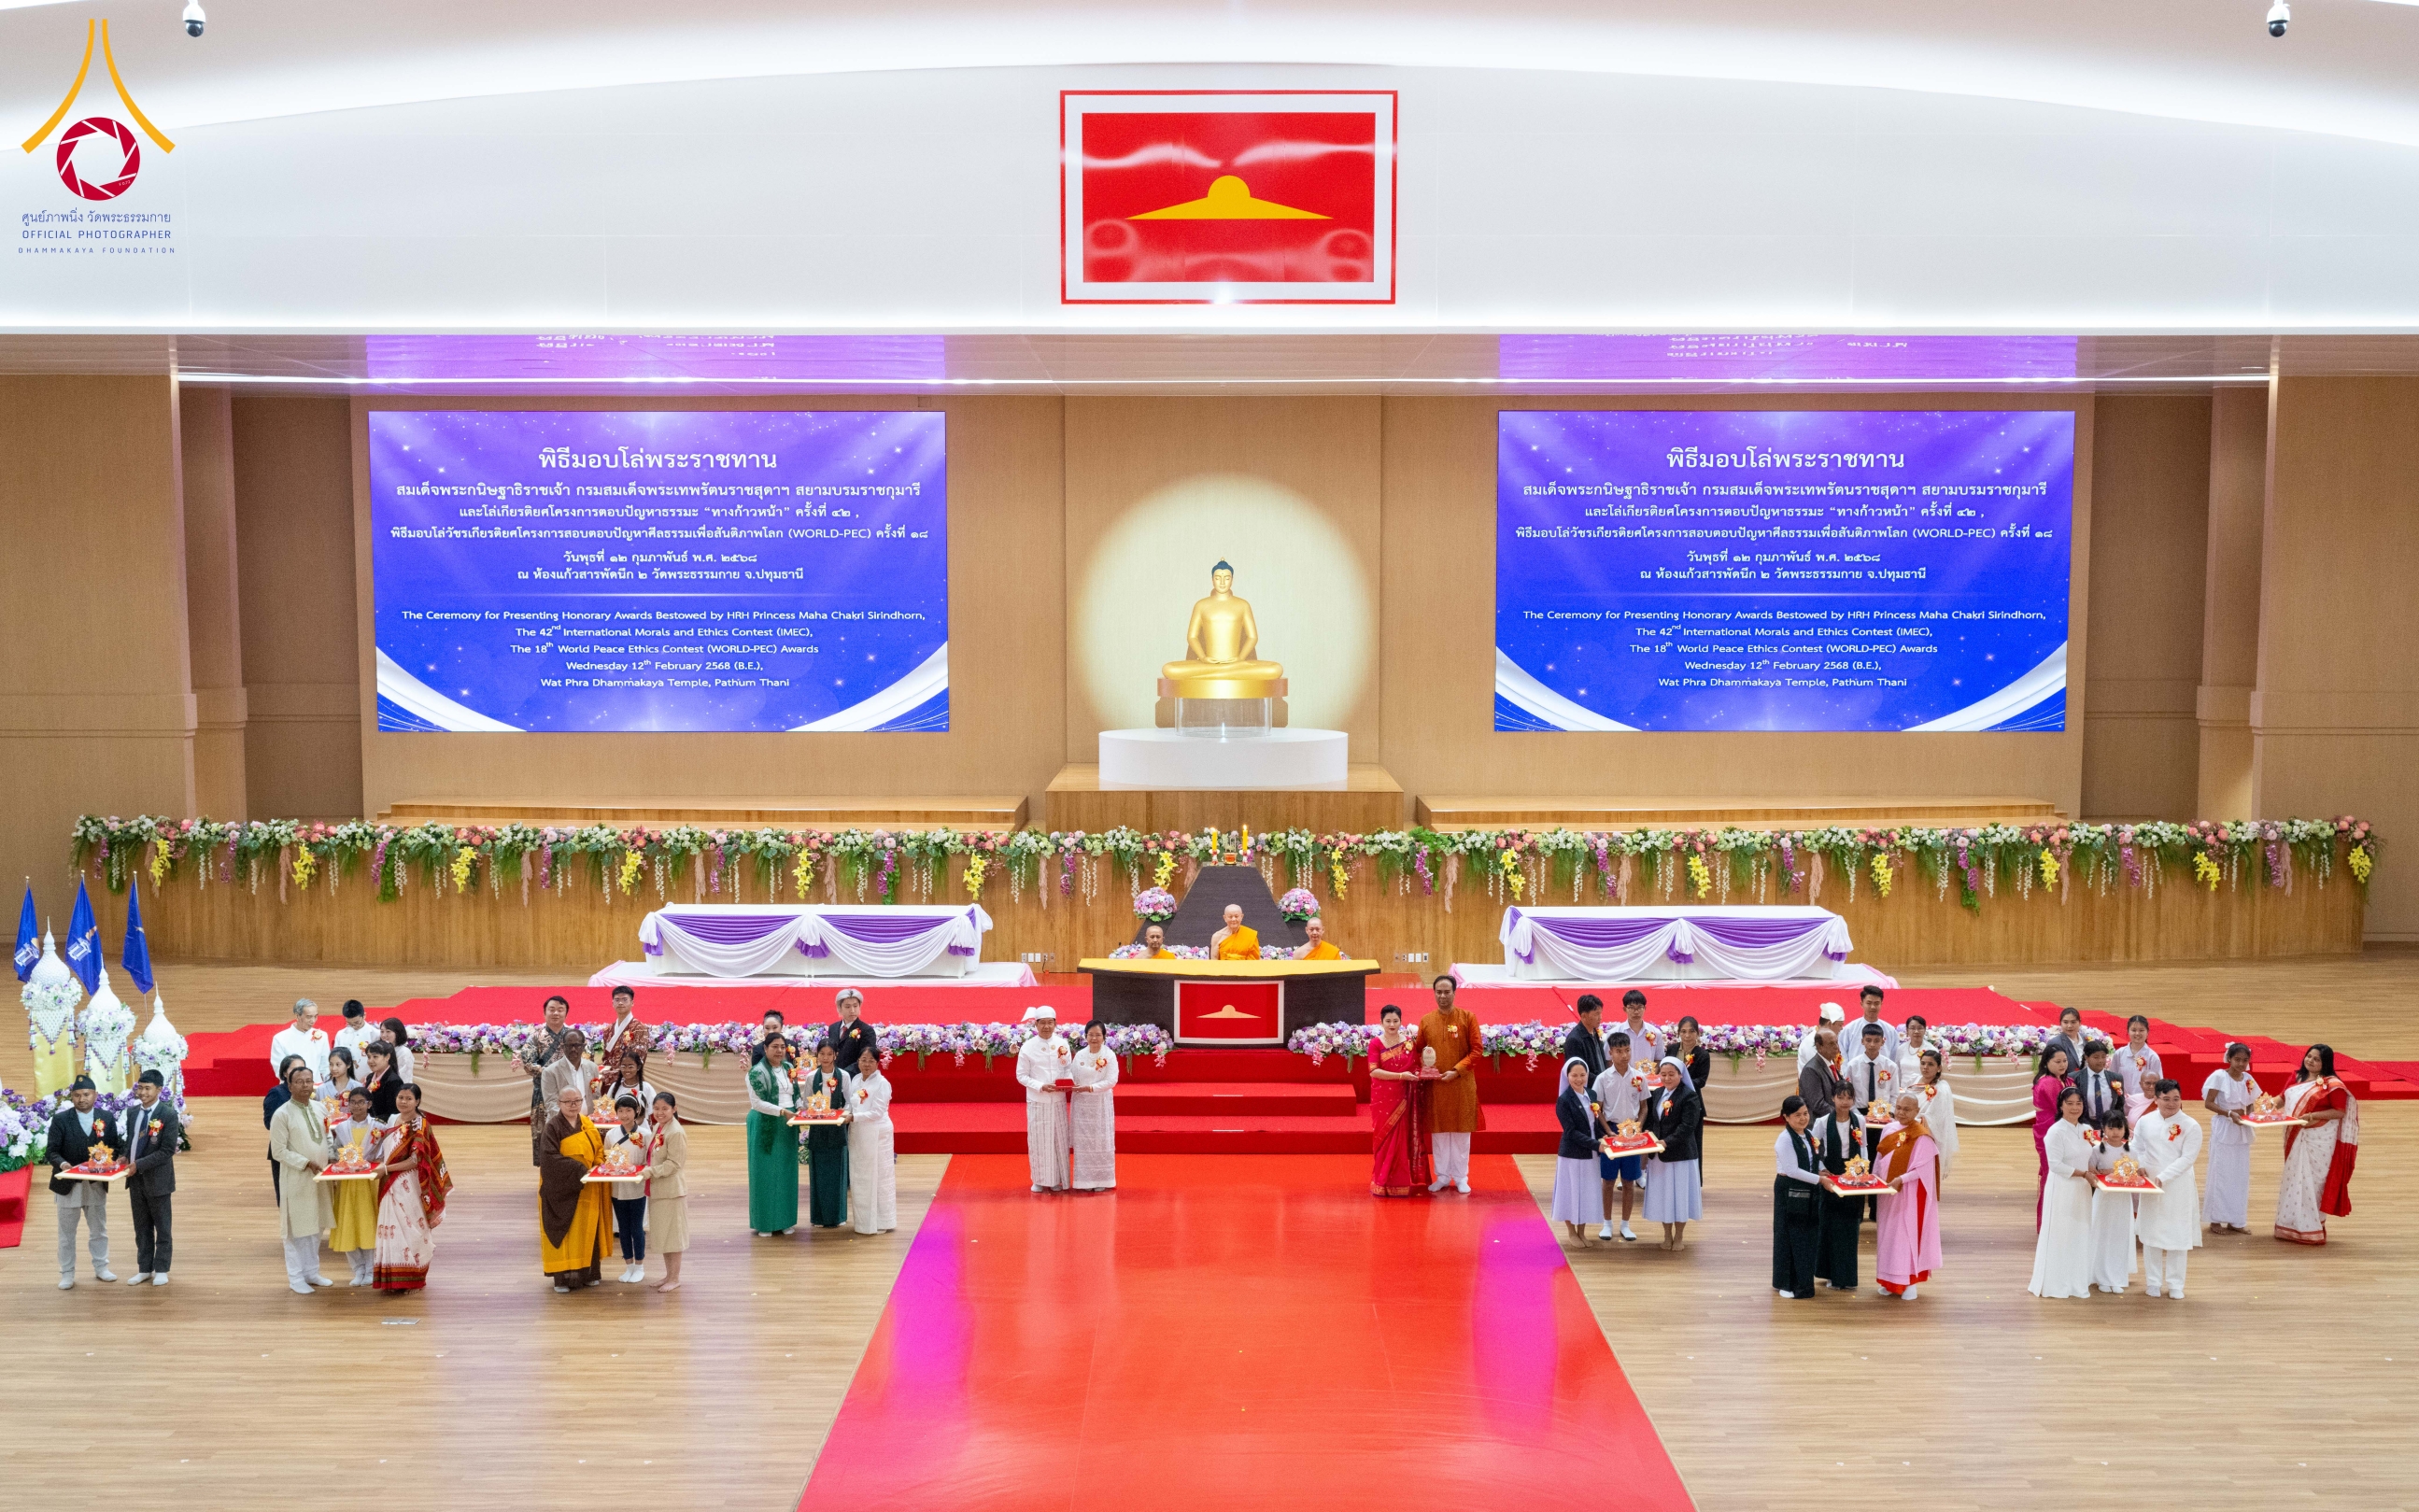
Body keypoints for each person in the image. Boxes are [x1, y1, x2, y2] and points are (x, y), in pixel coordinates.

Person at [2274, 1043, 2358, 1246]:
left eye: (2316, 1059)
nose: (2310, 1061)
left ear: (2325, 1063)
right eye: (2309, 1056)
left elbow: (2339, 1111)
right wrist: (2264, 1109)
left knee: (2314, 1181)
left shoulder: (2332, 1084)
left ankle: (2311, 1229)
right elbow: (2282, 1098)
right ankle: (2290, 1226)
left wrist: (2312, 1115)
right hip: (2296, 1135)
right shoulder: (2296, 1077)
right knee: (2294, 1178)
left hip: (2319, 1139)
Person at [372, 1082, 450, 1293]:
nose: (403, 1102)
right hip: (390, 1182)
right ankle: (393, 1280)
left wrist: (386, 1169)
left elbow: (415, 1161)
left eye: (408, 1099)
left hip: (409, 1183)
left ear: (417, 1102)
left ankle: (414, 1280)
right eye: (400, 1097)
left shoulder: (420, 1125)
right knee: (392, 1229)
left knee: (412, 1228)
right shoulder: (392, 1120)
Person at [2130, 1080, 2204, 1299]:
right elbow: (2137, 1147)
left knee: (2177, 1235)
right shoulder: (2145, 1121)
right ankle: (2152, 1281)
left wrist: (2165, 1176)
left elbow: (2188, 1158)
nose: (2172, 1104)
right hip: (2151, 1184)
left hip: (2177, 1185)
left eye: (2176, 1099)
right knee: (2151, 1233)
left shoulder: (2191, 1125)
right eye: (2166, 1099)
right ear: (2156, 1099)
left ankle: (2175, 1284)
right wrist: (2141, 1165)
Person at [268, 1061, 336, 1293]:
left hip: (321, 1177)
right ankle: (296, 1278)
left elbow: (327, 1137)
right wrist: (305, 1163)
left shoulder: (320, 1108)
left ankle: (312, 1272)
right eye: (299, 1081)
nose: (305, 1086)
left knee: (316, 1225)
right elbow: (278, 1151)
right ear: (289, 1085)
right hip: (297, 1177)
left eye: (308, 1081)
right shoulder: (282, 1114)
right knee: (297, 1229)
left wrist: (333, 1158)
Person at [46, 1075, 120, 1289]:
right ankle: (67, 1272)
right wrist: (63, 1165)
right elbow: (51, 1151)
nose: (82, 1099)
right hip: (67, 1185)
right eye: (77, 1095)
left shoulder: (106, 1118)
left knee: (99, 1229)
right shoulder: (61, 1120)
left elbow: (113, 1146)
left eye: (86, 1094)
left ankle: (101, 1267)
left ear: (95, 1095)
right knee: (66, 1233)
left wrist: (112, 1158)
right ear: (72, 1097)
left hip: (95, 1184)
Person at [538, 1085, 610, 1291]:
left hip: (588, 1187)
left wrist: (596, 1165)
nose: (573, 1105)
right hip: (560, 1189)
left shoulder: (587, 1123)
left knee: (587, 1231)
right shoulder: (552, 1127)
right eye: (568, 1102)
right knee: (566, 1233)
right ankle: (563, 1279)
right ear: (559, 1104)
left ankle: (588, 1274)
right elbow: (549, 1159)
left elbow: (598, 1148)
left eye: (577, 1101)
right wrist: (579, 1169)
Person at [1418, 974, 1483, 1194]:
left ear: (1455, 992)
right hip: (1436, 1085)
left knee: (1461, 1133)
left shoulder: (1467, 1017)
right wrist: (1425, 1069)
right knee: (1439, 1133)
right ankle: (1443, 1176)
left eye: (1447, 992)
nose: (1443, 996)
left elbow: (1477, 1051)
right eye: (1439, 992)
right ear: (1434, 993)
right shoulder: (1426, 1020)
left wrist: (1456, 1071)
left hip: (1461, 1084)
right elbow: (1420, 1050)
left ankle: (1461, 1176)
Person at [1873, 1091, 1940, 1301]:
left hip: (1908, 1196)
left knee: (1905, 1237)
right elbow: (1880, 1157)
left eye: (1907, 1109)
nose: (1901, 1113)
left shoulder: (1922, 1136)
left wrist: (1901, 1179)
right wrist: (1873, 1178)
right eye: (1899, 1108)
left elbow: (1923, 1170)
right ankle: (1889, 1280)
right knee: (1887, 1237)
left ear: (1917, 1111)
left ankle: (1909, 1282)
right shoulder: (1888, 1129)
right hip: (1887, 1194)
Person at [2029, 1086, 2094, 1299]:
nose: (2075, 1108)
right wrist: (2083, 1174)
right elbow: (2055, 1165)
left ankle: (2077, 1280)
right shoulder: (2055, 1131)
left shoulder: (2086, 1129)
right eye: (2070, 1103)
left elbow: (2090, 1157)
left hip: (2082, 1189)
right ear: (2061, 1106)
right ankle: (2058, 1282)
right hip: (2063, 1187)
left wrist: (2096, 1172)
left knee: (2079, 1231)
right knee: (2062, 1231)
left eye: (2079, 1103)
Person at [1366, 1005, 1432, 1197]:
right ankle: (1382, 1182)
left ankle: (1399, 1184)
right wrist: (1402, 1075)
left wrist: (1424, 1072)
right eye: (1388, 1021)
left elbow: (1416, 1066)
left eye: (1395, 1021)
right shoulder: (1376, 1044)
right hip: (1383, 1098)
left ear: (1401, 1022)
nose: (1392, 1024)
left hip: (1405, 1096)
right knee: (1385, 1139)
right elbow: (1373, 1071)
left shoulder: (1408, 1042)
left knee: (1401, 1139)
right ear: (1381, 1022)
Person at [1641, 1056, 1703, 1251]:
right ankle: (1667, 1234)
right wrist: (1648, 1140)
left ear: (1680, 1075)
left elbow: (1687, 1127)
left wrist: (1666, 1142)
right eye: (1663, 1074)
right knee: (1664, 1197)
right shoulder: (1658, 1093)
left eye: (1671, 1074)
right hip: (1659, 1156)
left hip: (1681, 1155)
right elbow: (1653, 1122)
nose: (1667, 1078)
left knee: (1680, 1197)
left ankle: (1680, 1236)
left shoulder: (1689, 1096)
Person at [326, 1086, 385, 1285]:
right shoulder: (341, 1128)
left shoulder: (378, 1126)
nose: (357, 1106)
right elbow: (334, 1152)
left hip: (369, 1184)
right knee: (348, 1224)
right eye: (353, 1102)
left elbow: (383, 1153)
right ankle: (357, 1270)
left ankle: (370, 1269)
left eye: (361, 1102)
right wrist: (337, 1162)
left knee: (367, 1224)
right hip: (347, 1184)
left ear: (369, 1104)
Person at [745, 1033, 801, 1236]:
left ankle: (785, 1220)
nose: (779, 1051)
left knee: (787, 1172)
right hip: (766, 1122)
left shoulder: (788, 1068)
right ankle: (765, 1222)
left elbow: (795, 1095)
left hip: (788, 1123)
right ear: (766, 1048)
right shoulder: (757, 1072)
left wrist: (802, 1110)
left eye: (782, 1047)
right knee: (765, 1173)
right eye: (775, 1047)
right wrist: (782, 1112)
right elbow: (757, 1103)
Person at [2201, 1042, 2261, 1233]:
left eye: (2245, 1060)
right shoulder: (2219, 1076)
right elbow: (2208, 1103)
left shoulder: (2248, 1079)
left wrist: (2250, 1115)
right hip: (2224, 1126)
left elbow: (2251, 1102)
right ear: (2229, 1058)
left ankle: (2236, 1220)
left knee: (2239, 1175)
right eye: (2237, 1059)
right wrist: (2229, 1114)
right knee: (2221, 1173)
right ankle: (2216, 1220)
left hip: (2241, 1129)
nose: (2241, 1064)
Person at [1592, 1030, 1647, 1241]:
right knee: (1607, 1180)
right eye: (1619, 1051)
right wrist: (1608, 1131)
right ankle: (1607, 1223)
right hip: (1611, 1132)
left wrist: (1638, 1127)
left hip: (1632, 1134)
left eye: (1627, 1050)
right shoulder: (1602, 1079)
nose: (1624, 1055)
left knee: (1629, 1180)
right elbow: (1598, 1108)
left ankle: (1626, 1224)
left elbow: (1644, 1107)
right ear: (1610, 1053)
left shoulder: (1639, 1077)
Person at [1811, 1082, 1865, 1292]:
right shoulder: (1823, 1122)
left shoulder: (1858, 1119)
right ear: (1833, 1098)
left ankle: (1848, 1277)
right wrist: (1821, 1169)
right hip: (1831, 1175)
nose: (1845, 1102)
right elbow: (1814, 1148)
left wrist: (1864, 1171)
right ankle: (1832, 1274)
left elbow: (1864, 1147)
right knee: (1831, 1226)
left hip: (1853, 1175)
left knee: (1850, 1227)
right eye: (1840, 1097)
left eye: (1849, 1098)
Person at [513, 996, 577, 1166]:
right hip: (542, 1092)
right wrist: (551, 1074)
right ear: (544, 1012)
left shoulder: (573, 1036)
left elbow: (583, 1059)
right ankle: (547, 1169)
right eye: (552, 1009)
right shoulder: (535, 1038)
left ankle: (573, 1164)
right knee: (543, 1131)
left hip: (570, 1093)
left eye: (560, 1010)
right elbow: (528, 1064)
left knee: (572, 1128)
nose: (556, 1013)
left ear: (566, 1013)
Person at [1015, 1006, 1073, 1192]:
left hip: (1057, 1100)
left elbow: (1068, 1069)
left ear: (1055, 1024)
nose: (1047, 1027)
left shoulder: (1062, 1044)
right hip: (1038, 1100)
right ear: (1036, 1024)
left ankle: (1057, 1180)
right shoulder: (1028, 1047)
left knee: (1058, 1140)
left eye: (1050, 1022)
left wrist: (1068, 1081)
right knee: (1039, 1141)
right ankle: (1039, 1180)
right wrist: (1041, 1086)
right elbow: (1021, 1075)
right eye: (1043, 1023)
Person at [1550, 1057, 1606, 1244]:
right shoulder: (1564, 1100)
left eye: (1583, 1075)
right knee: (1571, 1192)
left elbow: (1594, 1123)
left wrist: (1604, 1138)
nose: (1579, 1079)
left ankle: (1582, 1231)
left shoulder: (1591, 1094)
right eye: (1574, 1075)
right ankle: (1571, 1231)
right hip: (1572, 1154)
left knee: (1587, 1192)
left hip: (1591, 1154)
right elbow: (1571, 1132)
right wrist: (1595, 1144)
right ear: (1567, 1076)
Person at [1772, 1095, 1822, 1299]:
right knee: (1788, 1237)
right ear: (1786, 1117)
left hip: (1808, 1188)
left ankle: (1802, 1280)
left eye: (1806, 1114)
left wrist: (1824, 1171)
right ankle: (1786, 1282)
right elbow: (1792, 1170)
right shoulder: (1784, 1140)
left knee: (1805, 1237)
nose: (1803, 1119)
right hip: (1789, 1189)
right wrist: (1820, 1180)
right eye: (1797, 1115)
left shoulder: (1809, 1135)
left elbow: (1815, 1160)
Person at [845, 1048, 898, 1235]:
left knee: (879, 1176)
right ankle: (864, 1223)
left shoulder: (883, 1083)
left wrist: (853, 1118)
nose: (866, 1064)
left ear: (877, 1063)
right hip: (858, 1132)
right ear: (858, 1061)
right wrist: (843, 1114)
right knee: (860, 1177)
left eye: (871, 1061)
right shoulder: (856, 1080)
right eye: (863, 1060)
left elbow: (877, 1112)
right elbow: (850, 1104)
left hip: (877, 1132)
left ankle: (882, 1221)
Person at [2086, 1109, 2138, 1294]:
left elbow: (2136, 1172)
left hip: (2123, 1199)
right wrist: (2110, 1172)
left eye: (2119, 1128)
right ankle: (2100, 1276)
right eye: (2111, 1128)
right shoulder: (2096, 1149)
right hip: (2104, 1198)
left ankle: (2116, 1277)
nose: (2116, 1132)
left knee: (2120, 1235)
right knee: (2102, 1233)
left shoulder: (2132, 1150)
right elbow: (2091, 1172)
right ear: (2103, 1129)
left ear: (2125, 1129)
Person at [800, 1042, 851, 1229]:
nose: (826, 1057)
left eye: (830, 1054)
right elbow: (806, 1102)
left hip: (836, 1128)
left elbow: (849, 1102)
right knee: (818, 1172)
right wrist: (811, 1112)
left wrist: (840, 1115)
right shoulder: (812, 1077)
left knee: (837, 1172)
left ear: (835, 1055)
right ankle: (819, 1217)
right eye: (822, 1054)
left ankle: (837, 1216)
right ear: (817, 1055)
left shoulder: (844, 1076)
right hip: (818, 1128)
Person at [602, 1094, 651, 1282]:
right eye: (620, 1111)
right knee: (622, 1228)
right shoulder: (611, 1134)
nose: (624, 1115)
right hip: (617, 1188)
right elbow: (607, 1160)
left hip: (637, 1187)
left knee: (636, 1227)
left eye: (628, 1110)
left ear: (636, 1111)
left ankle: (640, 1265)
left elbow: (649, 1160)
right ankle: (628, 1265)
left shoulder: (645, 1134)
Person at [644, 1091, 688, 1292]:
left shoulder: (676, 1132)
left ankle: (675, 1277)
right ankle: (668, 1275)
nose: (660, 1113)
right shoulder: (658, 1127)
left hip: (671, 1191)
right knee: (663, 1234)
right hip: (658, 1189)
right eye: (656, 1109)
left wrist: (650, 1171)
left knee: (673, 1236)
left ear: (674, 1109)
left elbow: (674, 1164)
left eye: (664, 1109)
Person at [1069, 1021, 1119, 1191]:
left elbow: (1112, 1080)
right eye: (1091, 1035)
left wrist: (1091, 1088)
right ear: (1085, 1037)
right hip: (1082, 1105)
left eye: (1098, 1035)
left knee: (1100, 1141)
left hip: (1100, 1104)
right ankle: (1084, 1181)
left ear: (1104, 1037)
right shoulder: (1080, 1055)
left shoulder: (1109, 1055)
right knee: (1084, 1142)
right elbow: (1072, 1076)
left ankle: (1102, 1181)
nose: (1094, 1038)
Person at [2032, 1044, 2074, 1226]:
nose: (2062, 1065)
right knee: (2052, 1174)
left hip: (2061, 1127)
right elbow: (2063, 1108)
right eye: (2057, 1061)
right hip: (2051, 1129)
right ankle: (2048, 1222)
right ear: (2047, 1062)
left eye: (2064, 1061)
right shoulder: (2048, 1082)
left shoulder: (2066, 1080)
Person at [593, 986, 650, 1109]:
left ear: (632, 1003)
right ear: (612, 1003)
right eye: (617, 1000)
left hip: (629, 1080)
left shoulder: (639, 1028)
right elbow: (606, 1058)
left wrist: (615, 1073)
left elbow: (639, 1059)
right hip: (608, 1082)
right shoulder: (608, 1030)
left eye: (625, 999)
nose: (620, 1003)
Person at [264, 1053, 304, 1199]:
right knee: (286, 1196)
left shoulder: (307, 1092)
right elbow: (269, 1123)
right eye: (295, 1068)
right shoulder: (277, 1093)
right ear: (285, 1072)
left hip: (305, 1149)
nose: (300, 1072)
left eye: (303, 1068)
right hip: (284, 1149)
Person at [1917, 1049, 1959, 1185]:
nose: (1925, 1067)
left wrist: (1916, 1120)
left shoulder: (1942, 1088)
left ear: (1939, 1068)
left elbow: (1937, 1117)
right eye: (1923, 1063)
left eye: (1930, 1064)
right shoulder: (1915, 1080)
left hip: (1928, 1135)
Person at [537, 1029, 591, 1127]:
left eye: (577, 1045)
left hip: (588, 1124)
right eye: (569, 1045)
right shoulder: (550, 1072)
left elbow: (595, 1097)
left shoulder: (592, 1068)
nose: (573, 1049)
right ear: (563, 1047)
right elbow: (551, 1103)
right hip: (560, 1126)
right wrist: (572, 1121)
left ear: (583, 1046)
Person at [268, 999, 331, 1081]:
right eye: (309, 1017)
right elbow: (280, 1069)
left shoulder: (322, 1036)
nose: (313, 1020)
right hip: (291, 1088)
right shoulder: (280, 1038)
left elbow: (325, 1066)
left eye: (315, 1016)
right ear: (298, 1016)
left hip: (315, 1086)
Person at [1845, 1022, 1895, 1123]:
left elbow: (1894, 1093)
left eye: (1877, 1041)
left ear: (1883, 1042)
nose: (1872, 1045)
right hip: (1858, 1112)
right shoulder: (1852, 1065)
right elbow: (1848, 1093)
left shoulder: (1890, 1066)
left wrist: (1890, 1113)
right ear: (1862, 1041)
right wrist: (1857, 1116)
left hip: (1884, 1113)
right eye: (1868, 1040)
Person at [823, 989, 878, 1079]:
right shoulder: (833, 1028)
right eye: (847, 1007)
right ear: (839, 1008)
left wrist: (843, 1074)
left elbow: (867, 1059)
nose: (852, 1010)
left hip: (855, 1078)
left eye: (855, 1006)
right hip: (832, 1078)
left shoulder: (867, 1031)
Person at [2111, 1015, 2163, 1099]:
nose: (2137, 1033)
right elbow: (2112, 1078)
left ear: (2147, 1032)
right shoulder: (2119, 1053)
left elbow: (2158, 1084)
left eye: (2141, 1030)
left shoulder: (2152, 1057)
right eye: (2133, 1030)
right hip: (2122, 1100)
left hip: (2145, 1101)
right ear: (2128, 1031)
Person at [1561, 993, 1608, 1084]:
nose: (1600, 1018)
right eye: (1596, 1014)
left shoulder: (1594, 1032)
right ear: (1584, 1016)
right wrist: (1601, 1081)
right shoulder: (1574, 1040)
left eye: (1600, 1013)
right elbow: (1577, 1071)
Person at [2072, 1040, 2122, 1124]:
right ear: (2086, 1057)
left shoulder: (2116, 1078)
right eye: (2096, 1057)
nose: (2100, 1061)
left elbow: (2120, 1105)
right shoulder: (2075, 1078)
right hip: (2083, 1124)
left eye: (2103, 1057)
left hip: (2109, 1125)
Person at [1849, 986, 1900, 1066]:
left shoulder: (1890, 1031)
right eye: (1869, 1003)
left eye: (1876, 1003)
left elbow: (1895, 1056)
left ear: (1881, 1004)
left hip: (1883, 1075)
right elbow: (1843, 1055)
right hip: (1855, 1075)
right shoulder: (1850, 1029)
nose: (1873, 1007)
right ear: (1862, 1004)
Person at [1797, 1029, 1843, 1116]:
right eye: (1831, 1044)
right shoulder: (1811, 1070)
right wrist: (1841, 1114)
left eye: (1836, 1042)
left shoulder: (1831, 1064)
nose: (1836, 1047)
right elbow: (1817, 1105)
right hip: (1818, 1124)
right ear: (1819, 1047)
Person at [1618, 990, 1665, 1067]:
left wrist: (1650, 1075)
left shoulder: (1656, 1033)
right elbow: (1609, 1060)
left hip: (1647, 1078)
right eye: (1631, 1008)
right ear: (1624, 1009)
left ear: (1645, 1008)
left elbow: (1659, 1059)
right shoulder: (1615, 1033)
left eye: (1640, 1007)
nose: (1636, 1012)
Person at [361, 1039, 403, 1123]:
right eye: (369, 1057)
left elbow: (394, 1113)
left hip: (384, 1127)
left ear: (387, 1057)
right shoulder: (370, 1077)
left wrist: (372, 1121)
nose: (370, 1061)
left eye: (375, 1057)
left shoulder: (394, 1081)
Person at [2042, 1006, 2088, 1083]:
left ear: (2079, 1023)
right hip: (2064, 1085)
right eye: (2065, 1022)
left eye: (2073, 1022)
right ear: (2060, 1023)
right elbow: (2049, 1070)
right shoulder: (2055, 1043)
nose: (2069, 1026)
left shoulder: (2086, 1039)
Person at [1795, 1001, 1846, 1067]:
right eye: (1840, 1025)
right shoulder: (1812, 1042)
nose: (1841, 1028)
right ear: (1829, 1024)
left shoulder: (1830, 1038)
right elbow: (1820, 1070)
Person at [333, 1000, 378, 1074]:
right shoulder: (341, 1035)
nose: (354, 1026)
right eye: (349, 1023)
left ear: (364, 1015)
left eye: (357, 1022)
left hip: (368, 1078)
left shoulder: (375, 1034)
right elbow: (336, 1058)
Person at [317, 1046, 363, 1110]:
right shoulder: (321, 1089)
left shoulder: (358, 1087)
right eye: (331, 1064)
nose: (333, 1068)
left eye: (338, 1064)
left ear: (348, 1065)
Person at [1674, 1016, 1711, 1091]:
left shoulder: (1703, 1055)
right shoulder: (1672, 1049)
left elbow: (1701, 1081)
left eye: (1691, 1031)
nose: (1687, 1035)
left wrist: (1679, 1083)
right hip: (1670, 1094)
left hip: (1691, 1095)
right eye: (1683, 1031)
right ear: (1678, 1033)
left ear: (1698, 1033)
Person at [1896, 1015, 1932, 1087]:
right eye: (1912, 1028)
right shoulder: (1900, 1049)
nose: (1916, 1031)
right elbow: (1898, 1073)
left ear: (1925, 1030)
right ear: (1907, 1030)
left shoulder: (1931, 1050)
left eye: (1920, 1028)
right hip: (1903, 1091)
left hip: (1923, 1090)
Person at [379, 1017, 416, 1084]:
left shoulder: (404, 1052)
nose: (384, 1035)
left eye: (388, 1031)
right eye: (382, 1031)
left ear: (398, 1033)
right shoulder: (380, 1050)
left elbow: (404, 1078)